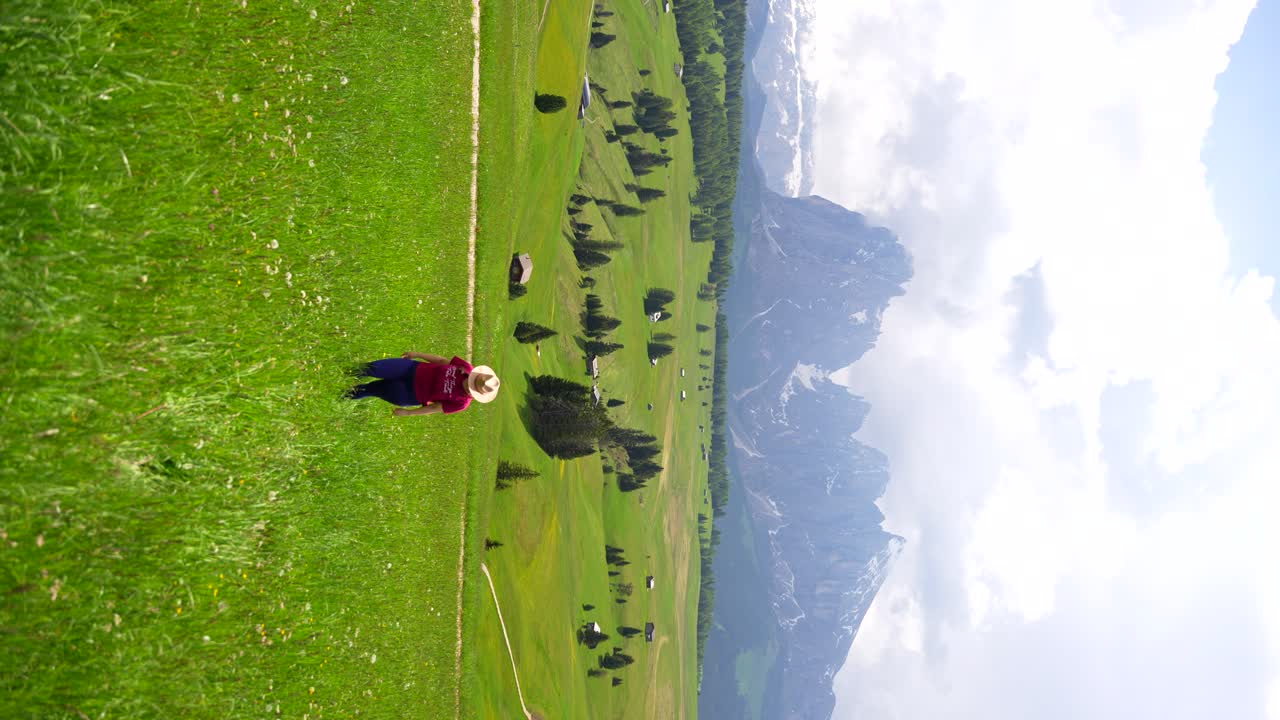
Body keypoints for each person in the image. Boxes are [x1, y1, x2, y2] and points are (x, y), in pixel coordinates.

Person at [346, 352, 499, 416]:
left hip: (408, 393)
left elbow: (434, 408)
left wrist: (408, 413)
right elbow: (440, 360)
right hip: (410, 369)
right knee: (373, 368)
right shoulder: (465, 367)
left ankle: (342, 393)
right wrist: (417, 354)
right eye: (472, 382)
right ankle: (341, 371)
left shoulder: (461, 403)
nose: (469, 387)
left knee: (372, 389)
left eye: (473, 389)